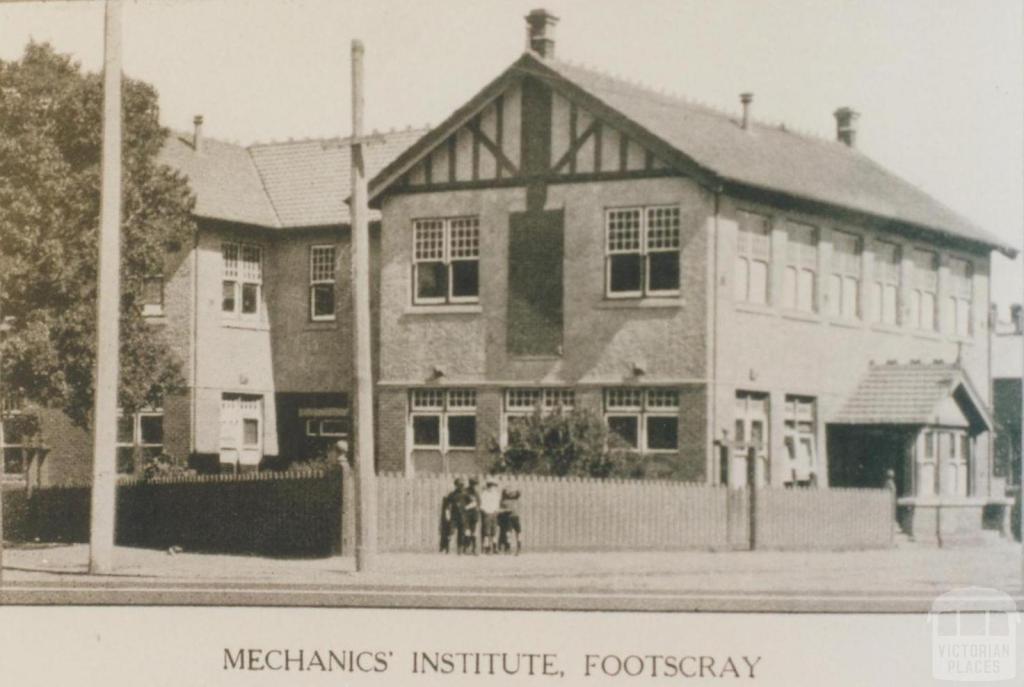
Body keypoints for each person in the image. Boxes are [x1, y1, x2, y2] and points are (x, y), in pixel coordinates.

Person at [439, 478, 463, 554]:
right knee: (450, 532)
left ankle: (460, 550)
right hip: (454, 517)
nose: (460, 487)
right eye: (459, 485)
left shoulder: (465, 494)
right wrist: (448, 515)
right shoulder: (452, 495)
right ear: (456, 486)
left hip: (462, 517)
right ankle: (447, 548)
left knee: (461, 534)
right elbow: (448, 506)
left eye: (461, 485)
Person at [478, 478, 502, 554]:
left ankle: (495, 548)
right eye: (490, 485)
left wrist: (496, 511)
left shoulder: (496, 494)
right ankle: (487, 548)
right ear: (488, 486)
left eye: (493, 485)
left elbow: (497, 504)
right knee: (486, 532)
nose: (492, 487)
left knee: (494, 531)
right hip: (487, 513)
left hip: (494, 513)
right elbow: (481, 504)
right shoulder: (484, 494)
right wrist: (485, 511)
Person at [497, 487, 522, 555]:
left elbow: (519, 492)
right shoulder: (504, 501)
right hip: (510, 517)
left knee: (516, 532)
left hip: (513, 517)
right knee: (510, 533)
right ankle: (510, 547)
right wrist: (505, 510)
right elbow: (500, 510)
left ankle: (516, 547)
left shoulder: (513, 499)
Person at [460, 477, 481, 555]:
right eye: (474, 484)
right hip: (467, 515)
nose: (475, 486)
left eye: (476, 484)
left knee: (474, 531)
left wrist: (476, 506)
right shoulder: (465, 492)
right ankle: (466, 548)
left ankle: (474, 549)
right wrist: (469, 506)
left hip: (474, 514)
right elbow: (462, 504)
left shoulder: (476, 493)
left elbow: (479, 503)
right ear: (471, 484)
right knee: (467, 531)